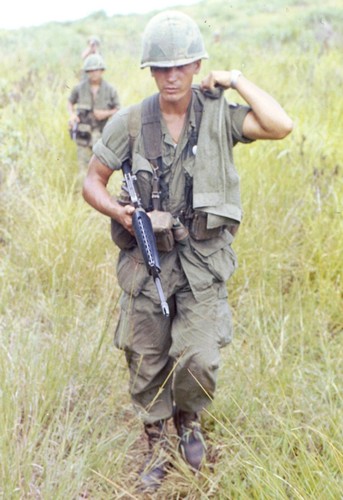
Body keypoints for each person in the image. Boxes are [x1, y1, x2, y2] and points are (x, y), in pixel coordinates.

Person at [82, 10, 293, 491]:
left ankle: (188, 420)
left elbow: (281, 125)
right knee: (145, 353)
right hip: (147, 260)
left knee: (198, 357)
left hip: (201, 262)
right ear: (150, 72)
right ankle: (156, 437)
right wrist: (123, 216)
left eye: (180, 65)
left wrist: (235, 79)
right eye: (160, 67)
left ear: (198, 65)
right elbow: (92, 180)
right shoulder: (132, 121)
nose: (171, 76)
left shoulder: (219, 114)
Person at [67, 54, 120, 177]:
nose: (94, 73)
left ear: (102, 70)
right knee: (82, 168)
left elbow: (118, 109)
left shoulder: (110, 90)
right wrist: (72, 115)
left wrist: (105, 113)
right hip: (83, 134)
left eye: (96, 70)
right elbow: (70, 101)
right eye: (90, 71)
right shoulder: (79, 88)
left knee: (99, 169)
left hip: (102, 135)